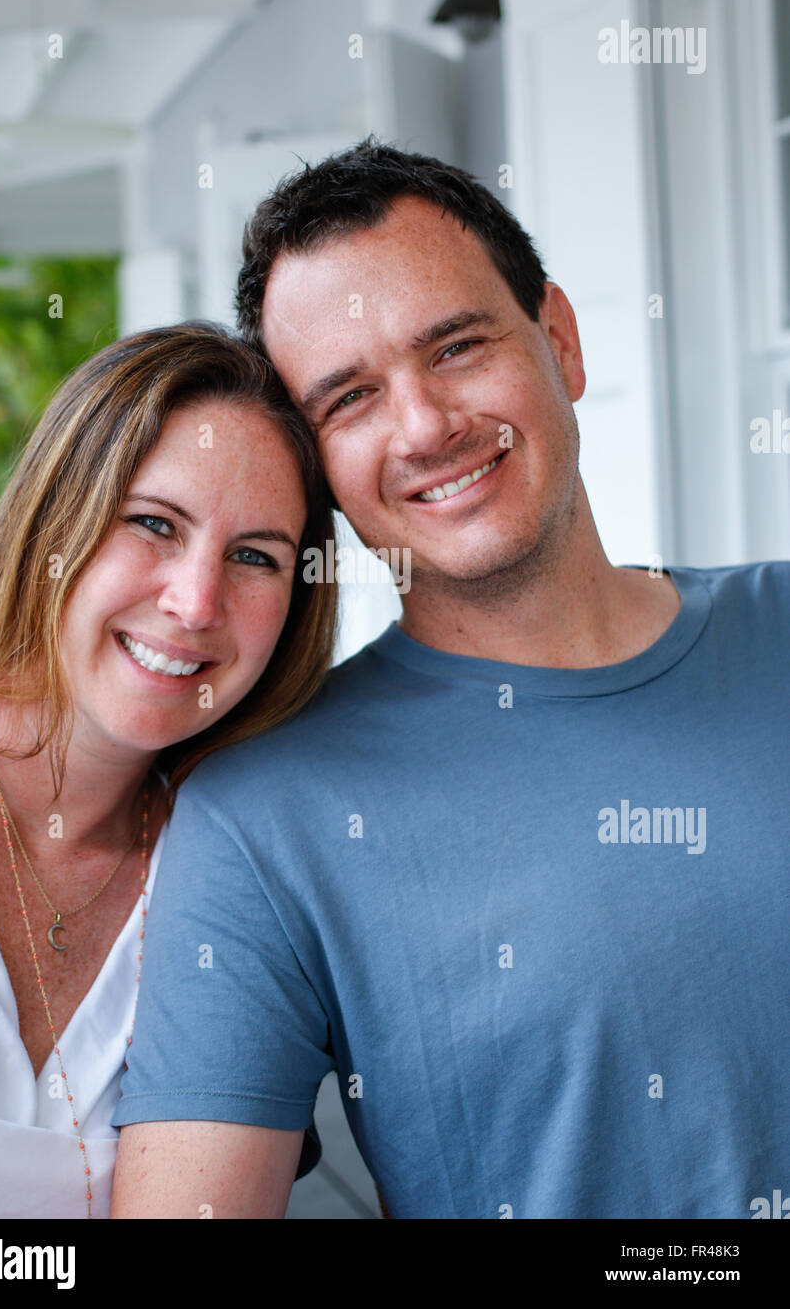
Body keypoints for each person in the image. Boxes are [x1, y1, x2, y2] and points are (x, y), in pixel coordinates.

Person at [111, 140, 790, 1220]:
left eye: (457, 347)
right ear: (317, 464)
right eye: (349, 398)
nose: (424, 425)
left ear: (558, 340)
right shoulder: (260, 820)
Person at [0, 321, 336, 1219]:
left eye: (255, 556)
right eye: (153, 524)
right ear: (54, 518)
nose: (194, 602)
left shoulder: (233, 872)